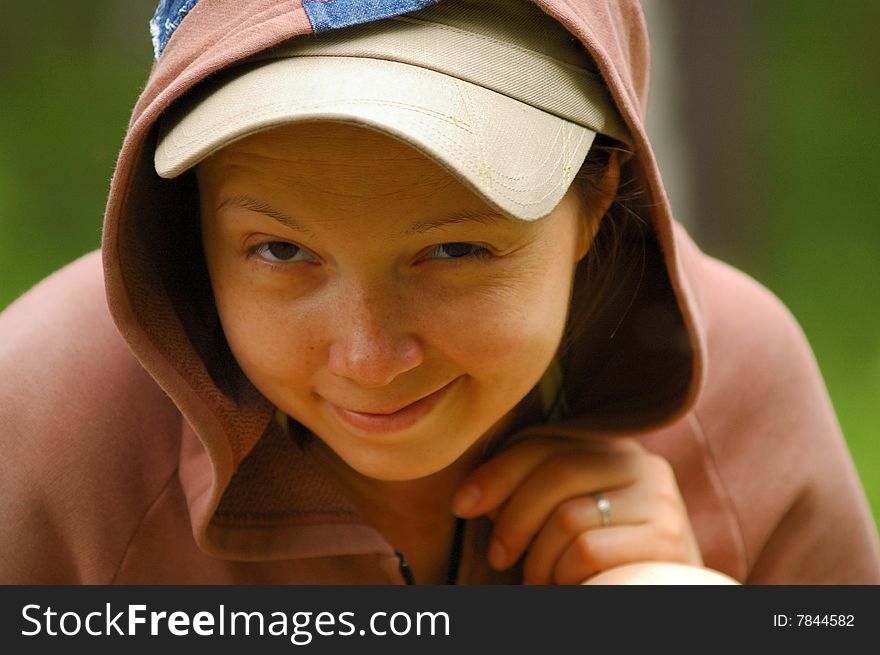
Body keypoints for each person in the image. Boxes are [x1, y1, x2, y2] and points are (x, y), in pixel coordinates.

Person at [0, 0, 877, 585]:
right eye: (280, 249)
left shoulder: (740, 391)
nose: (369, 357)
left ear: (597, 192)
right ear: (184, 218)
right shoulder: (45, 422)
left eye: (454, 248)